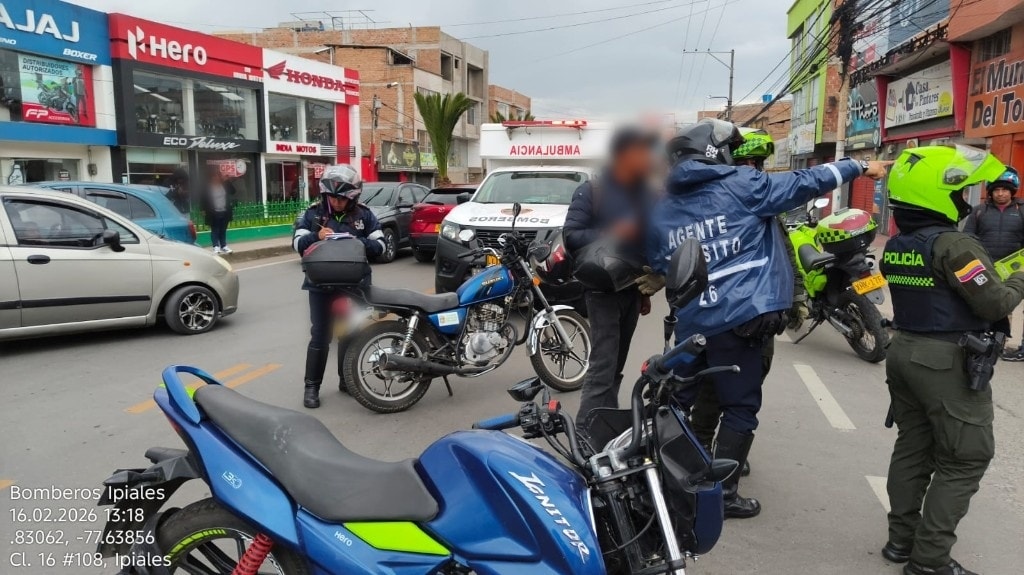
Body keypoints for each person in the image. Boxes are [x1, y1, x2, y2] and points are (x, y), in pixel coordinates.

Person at [646, 118, 888, 519]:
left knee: (677, 404)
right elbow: (804, 182)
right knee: (740, 408)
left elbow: (659, 262)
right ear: (715, 152)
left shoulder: (661, 208)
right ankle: (721, 496)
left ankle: (669, 485)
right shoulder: (741, 185)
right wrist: (859, 167)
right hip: (741, 319)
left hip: (691, 323)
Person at [878, 145, 1024, 575]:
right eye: (959, 193)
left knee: (914, 448)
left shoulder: (900, 243)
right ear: (933, 195)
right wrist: (1018, 275)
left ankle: (900, 542)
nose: (965, 201)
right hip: (945, 361)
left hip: (904, 351)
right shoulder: (953, 243)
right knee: (966, 458)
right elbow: (993, 301)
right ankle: (930, 560)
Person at [686, 128, 807, 478]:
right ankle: (703, 465)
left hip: (756, 319)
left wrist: (796, 298)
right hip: (717, 319)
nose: (753, 169)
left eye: (758, 163)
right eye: (745, 162)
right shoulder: (709, 206)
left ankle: (728, 452)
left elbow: (785, 256)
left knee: (747, 390)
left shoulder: (762, 204)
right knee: (711, 396)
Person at [563, 126, 664, 423]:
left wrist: (644, 292)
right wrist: (612, 232)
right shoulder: (591, 191)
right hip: (601, 290)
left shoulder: (644, 195)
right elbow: (571, 236)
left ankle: (603, 422)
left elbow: (648, 243)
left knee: (617, 363)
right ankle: (585, 434)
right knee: (603, 366)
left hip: (631, 289)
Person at [293, 165, 386, 409]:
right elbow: (297, 244)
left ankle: (347, 381)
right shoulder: (313, 215)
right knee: (320, 336)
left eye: (342, 198)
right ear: (325, 194)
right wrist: (317, 236)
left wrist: (359, 242)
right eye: (332, 197)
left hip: (354, 287)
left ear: (352, 197)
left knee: (350, 333)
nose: (336, 202)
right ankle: (311, 387)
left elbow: (381, 247)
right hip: (320, 286)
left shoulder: (365, 216)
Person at [961, 167, 1024, 361]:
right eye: (996, 190)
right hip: (986, 268)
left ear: (1012, 191)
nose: (1000, 193)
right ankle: (992, 343)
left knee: (1011, 303)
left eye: (1005, 190)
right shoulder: (979, 211)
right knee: (988, 304)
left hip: (1015, 270)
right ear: (990, 191)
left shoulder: (1021, 210)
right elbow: (968, 237)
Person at [201, 170, 234, 254]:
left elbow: (233, 191)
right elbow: (203, 199)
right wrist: (203, 210)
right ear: (211, 178)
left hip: (224, 211)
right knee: (215, 230)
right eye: (214, 177)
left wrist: (227, 180)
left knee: (223, 230)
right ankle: (216, 246)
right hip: (213, 212)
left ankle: (224, 246)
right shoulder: (207, 187)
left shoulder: (224, 185)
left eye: (217, 177)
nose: (216, 178)